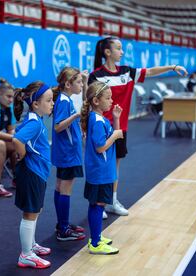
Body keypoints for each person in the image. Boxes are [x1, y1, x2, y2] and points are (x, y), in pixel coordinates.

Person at [89, 37, 187, 218]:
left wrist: (172, 67)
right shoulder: (96, 75)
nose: (122, 52)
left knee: (114, 167)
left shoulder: (127, 72)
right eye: (118, 48)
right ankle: (98, 203)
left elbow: (150, 71)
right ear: (107, 52)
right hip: (102, 128)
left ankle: (112, 201)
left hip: (121, 127)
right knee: (101, 166)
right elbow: (91, 104)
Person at [13, 81, 54, 269]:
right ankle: (26, 254)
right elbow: (17, 139)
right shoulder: (34, 123)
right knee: (30, 213)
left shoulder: (35, 119)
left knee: (35, 210)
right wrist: (21, 153)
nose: (52, 103)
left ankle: (31, 245)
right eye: (48, 100)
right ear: (36, 104)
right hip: (32, 172)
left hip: (36, 171)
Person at [80, 81, 124, 254]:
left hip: (101, 170)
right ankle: (96, 243)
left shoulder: (98, 118)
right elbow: (101, 147)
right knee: (98, 205)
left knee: (98, 204)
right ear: (96, 101)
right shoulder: (97, 121)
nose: (111, 101)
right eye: (108, 98)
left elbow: (115, 136)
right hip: (100, 171)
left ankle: (96, 237)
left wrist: (116, 119)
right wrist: (114, 134)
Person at [51, 67, 87, 241]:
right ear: (68, 84)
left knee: (60, 187)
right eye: (79, 82)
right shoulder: (65, 101)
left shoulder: (64, 99)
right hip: (68, 153)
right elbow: (58, 126)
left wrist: (78, 128)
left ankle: (62, 223)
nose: (81, 85)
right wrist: (76, 116)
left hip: (65, 151)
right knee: (65, 189)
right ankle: (63, 229)